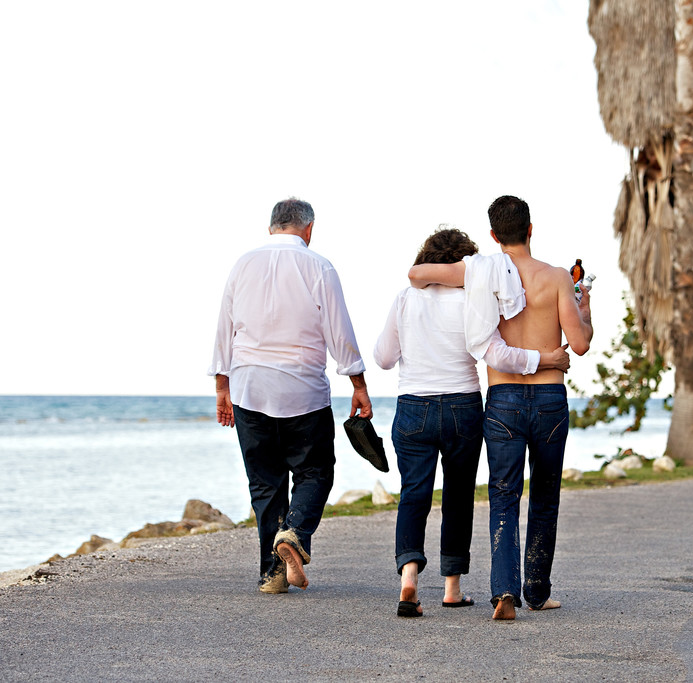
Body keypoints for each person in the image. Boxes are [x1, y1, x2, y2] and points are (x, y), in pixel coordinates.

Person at [409, 196, 593, 620]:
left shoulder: (481, 270)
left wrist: (465, 272)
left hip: (503, 399)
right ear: (531, 229)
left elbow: (416, 273)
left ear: (493, 235)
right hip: (549, 397)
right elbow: (579, 344)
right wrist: (585, 309)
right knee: (545, 497)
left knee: (504, 495)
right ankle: (538, 591)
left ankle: (504, 591)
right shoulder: (558, 278)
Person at [375, 226, 570, 618]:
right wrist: (544, 360)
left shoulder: (405, 299)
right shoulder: (472, 298)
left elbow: (383, 357)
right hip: (463, 404)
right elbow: (492, 350)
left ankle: (409, 576)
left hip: (413, 404)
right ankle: (452, 588)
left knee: (414, 492)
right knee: (458, 496)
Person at [209, 197, 372, 594]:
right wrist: (359, 384)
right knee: (315, 471)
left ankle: (272, 574)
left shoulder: (242, 264)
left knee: (265, 482)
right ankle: (295, 531)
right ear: (309, 229)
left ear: (271, 227)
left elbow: (224, 328)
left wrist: (221, 387)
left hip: (249, 387)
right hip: (303, 390)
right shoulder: (319, 265)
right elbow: (340, 331)